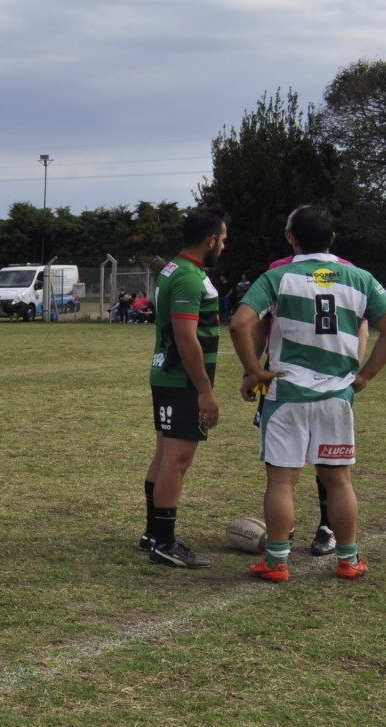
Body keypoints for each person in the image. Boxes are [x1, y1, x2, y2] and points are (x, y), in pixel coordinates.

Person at [231, 204, 386, 582]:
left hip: (286, 394)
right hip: (336, 395)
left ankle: (276, 563)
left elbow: (240, 324)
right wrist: (366, 376)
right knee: (339, 481)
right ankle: (348, 560)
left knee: (281, 481)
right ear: (333, 239)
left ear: (290, 237)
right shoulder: (360, 278)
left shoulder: (277, 276)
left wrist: (255, 371)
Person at [140, 206, 228, 568]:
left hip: (168, 374)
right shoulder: (188, 277)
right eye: (223, 239)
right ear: (210, 240)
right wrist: (205, 390)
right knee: (177, 460)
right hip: (181, 380)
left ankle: (153, 533)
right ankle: (164, 543)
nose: (224, 245)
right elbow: (186, 337)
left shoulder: (174, 268)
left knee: (165, 456)